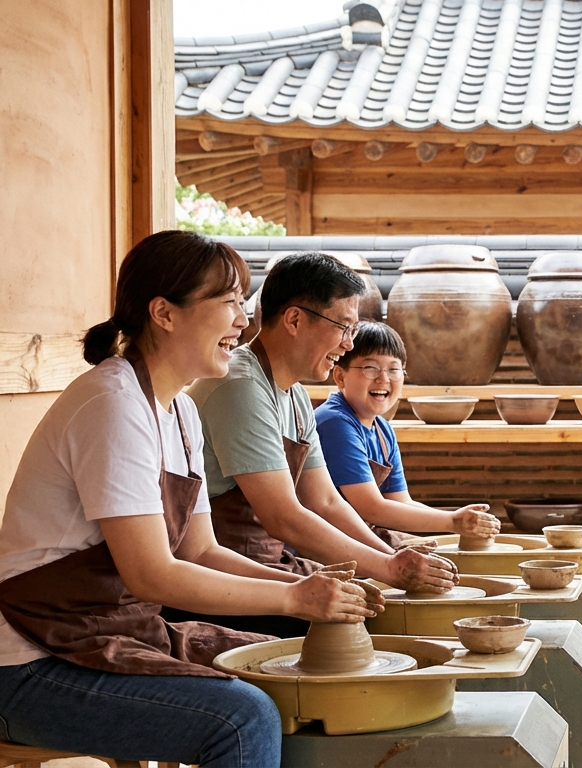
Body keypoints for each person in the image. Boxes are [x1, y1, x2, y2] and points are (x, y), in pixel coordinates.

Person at [0, 232, 382, 767]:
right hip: (30, 660)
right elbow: (152, 574)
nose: (243, 322)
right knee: (243, 717)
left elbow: (200, 551)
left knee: (288, 674)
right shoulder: (113, 404)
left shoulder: (177, 412)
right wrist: (295, 600)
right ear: (165, 313)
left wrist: (311, 587)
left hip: (109, 632)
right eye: (228, 303)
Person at [180, 253, 455, 637]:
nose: (348, 343)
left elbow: (324, 501)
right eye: (343, 327)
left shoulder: (293, 395)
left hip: (270, 562)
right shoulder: (240, 387)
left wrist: (391, 561)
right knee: (357, 624)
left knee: (380, 600)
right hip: (222, 578)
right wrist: (387, 568)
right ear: (294, 319)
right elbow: (284, 517)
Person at [314, 321, 500, 544]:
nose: (383, 379)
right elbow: (371, 508)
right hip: (320, 544)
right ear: (340, 377)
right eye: (370, 368)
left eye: (393, 369)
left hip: (357, 539)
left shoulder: (382, 430)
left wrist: (457, 521)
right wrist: (451, 522)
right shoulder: (334, 422)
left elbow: (401, 502)